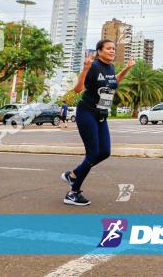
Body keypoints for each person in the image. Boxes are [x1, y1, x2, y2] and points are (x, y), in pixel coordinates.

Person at [60, 40, 134, 205]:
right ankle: (73, 192)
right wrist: (85, 69)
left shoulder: (111, 68)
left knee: (105, 151)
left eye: (114, 48)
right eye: (108, 48)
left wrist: (127, 68)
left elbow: (114, 82)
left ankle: (73, 174)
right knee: (93, 153)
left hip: (101, 113)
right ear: (99, 51)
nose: (112, 51)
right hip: (86, 113)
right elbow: (78, 89)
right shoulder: (93, 66)